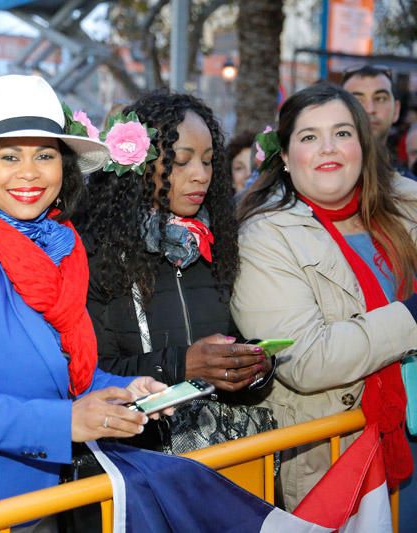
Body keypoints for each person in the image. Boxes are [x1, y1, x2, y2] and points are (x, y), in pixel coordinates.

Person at [0, 75, 171, 517]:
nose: (29, 172)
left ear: (63, 170)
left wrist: (124, 391)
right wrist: (64, 424)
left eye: (44, 156)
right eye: (9, 157)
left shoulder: (61, 247)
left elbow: (60, 377)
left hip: (55, 500)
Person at [233, 83, 417, 510]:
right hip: (344, 455)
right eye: (309, 137)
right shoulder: (264, 237)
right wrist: (411, 317)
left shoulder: (403, 207)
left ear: (363, 145)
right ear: (284, 156)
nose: (327, 148)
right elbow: (306, 360)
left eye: (342, 133)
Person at [80, 91, 272, 452]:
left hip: (221, 455)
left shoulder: (219, 243)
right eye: (182, 161)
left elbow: (233, 340)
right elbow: (89, 374)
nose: (200, 175)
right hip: (138, 462)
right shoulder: (96, 251)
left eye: (209, 160)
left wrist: (253, 368)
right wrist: (182, 365)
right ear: (141, 165)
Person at [341, 65, 416, 181]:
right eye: (357, 100)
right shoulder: (318, 180)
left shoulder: (411, 190)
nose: (370, 109)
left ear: (396, 110)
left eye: (380, 98)